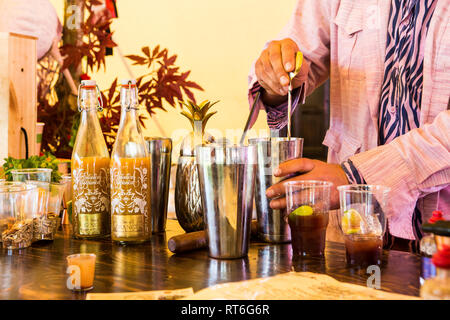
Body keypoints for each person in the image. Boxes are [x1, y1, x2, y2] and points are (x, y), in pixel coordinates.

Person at [248, 0, 449, 252]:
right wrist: (276, 76)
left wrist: (356, 177)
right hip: (350, 235)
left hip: (440, 238)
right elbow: (298, 52)